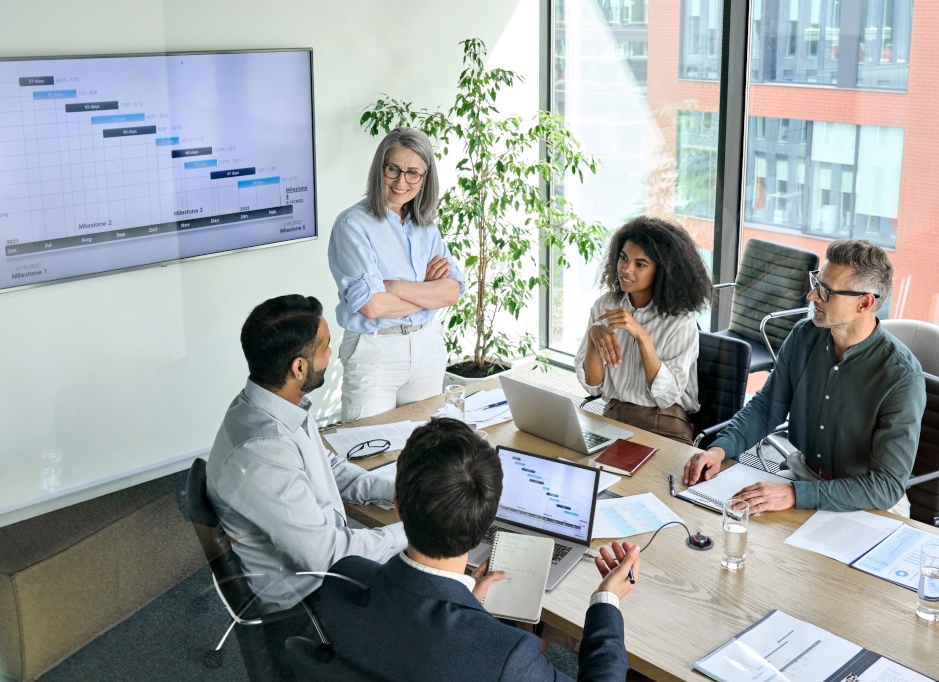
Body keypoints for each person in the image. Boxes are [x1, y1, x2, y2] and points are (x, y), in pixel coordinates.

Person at [316, 418, 639, 681]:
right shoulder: (506, 656)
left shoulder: (342, 580)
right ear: (486, 523)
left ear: (398, 507)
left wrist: (468, 604)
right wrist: (606, 601)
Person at [205, 294, 406, 677]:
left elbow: (326, 468)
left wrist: (391, 488)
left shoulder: (273, 403)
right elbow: (326, 557)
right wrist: (414, 531)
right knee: (437, 598)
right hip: (306, 607)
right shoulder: (263, 453)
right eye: (326, 347)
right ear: (299, 367)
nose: (333, 354)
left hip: (318, 569)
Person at [683, 239, 927, 515]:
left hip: (867, 501)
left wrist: (794, 494)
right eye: (816, 283)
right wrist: (719, 450)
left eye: (826, 292)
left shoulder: (902, 377)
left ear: (864, 303)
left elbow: (885, 486)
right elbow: (765, 408)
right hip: (802, 475)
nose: (812, 297)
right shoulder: (803, 335)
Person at [328, 127, 464, 423]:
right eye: (394, 169)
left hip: (427, 347)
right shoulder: (352, 225)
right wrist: (428, 292)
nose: (402, 181)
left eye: (413, 173)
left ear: (425, 178)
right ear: (380, 169)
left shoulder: (427, 225)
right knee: (368, 451)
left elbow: (452, 292)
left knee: (427, 452)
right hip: (375, 350)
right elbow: (372, 306)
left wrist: (395, 287)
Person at [575, 216, 713, 444]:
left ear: (663, 271)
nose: (626, 270)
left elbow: (667, 396)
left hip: (663, 425)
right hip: (614, 417)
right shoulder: (604, 306)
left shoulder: (680, 321)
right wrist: (593, 337)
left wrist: (642, 336)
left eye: (640, 264)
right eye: (623, 258)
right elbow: (593, 386)